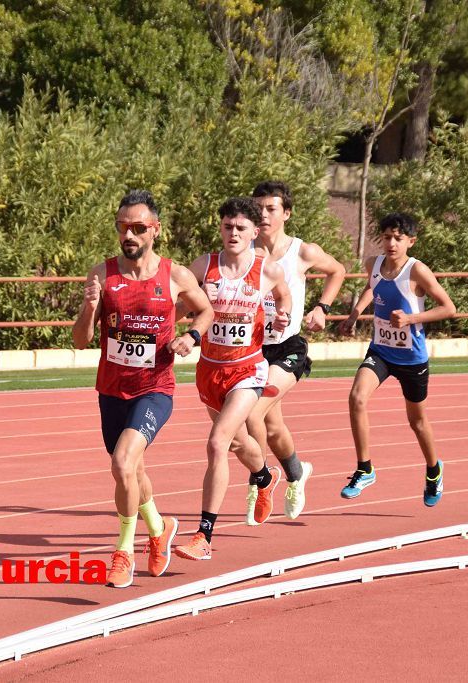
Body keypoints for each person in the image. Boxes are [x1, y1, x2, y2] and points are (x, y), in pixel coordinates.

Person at [73, 189, 214, 589]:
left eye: (138, 228)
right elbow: (81, 341)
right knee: (132, 470)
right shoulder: (101, 274)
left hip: (155, 388)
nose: (129, 235)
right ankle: (159, 527)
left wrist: (193, 337)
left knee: (122, 462)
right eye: (123, 227)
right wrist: (89, 307)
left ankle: (122, 552)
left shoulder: (177, 275)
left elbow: (205, 310)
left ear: (156, 230)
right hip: (111, 389)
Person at [174, 197, 292, 561]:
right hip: (210, 370)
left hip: (248, 369)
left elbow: (283, 296)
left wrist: (283, 315)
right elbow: (182, 305)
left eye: (241, 228)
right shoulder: (203, 266)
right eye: (228, 227)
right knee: (240, 445)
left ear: (255, 232)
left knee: (217, 443)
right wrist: (173, 327)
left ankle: (204, 535)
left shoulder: (267, 269)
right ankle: (264, 476)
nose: (233, 234)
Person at [337, 213, 456, 506]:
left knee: (416, 422)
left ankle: (433, 470)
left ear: (410, 242)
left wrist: (411, 318)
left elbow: (448, 308)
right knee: (356, 398)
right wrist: (354, 315)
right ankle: (364, 469)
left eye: (398, 238)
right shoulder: (373, 264)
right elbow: (371, 286)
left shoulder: (418, 271)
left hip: (412, 358)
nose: (391, 243)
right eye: (387, 237)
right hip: (381, 351)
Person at [244, 180, 346, 522]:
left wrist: (322, 308)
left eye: (271, 209)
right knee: (273, 429)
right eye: (258, 209)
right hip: (253, 349)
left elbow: (338, 271)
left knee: (252, 414)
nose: (264, 215)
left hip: (289, 348)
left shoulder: (303, 252)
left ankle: (259, 481)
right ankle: (296, 473)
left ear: (286, 213)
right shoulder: (246, 250)